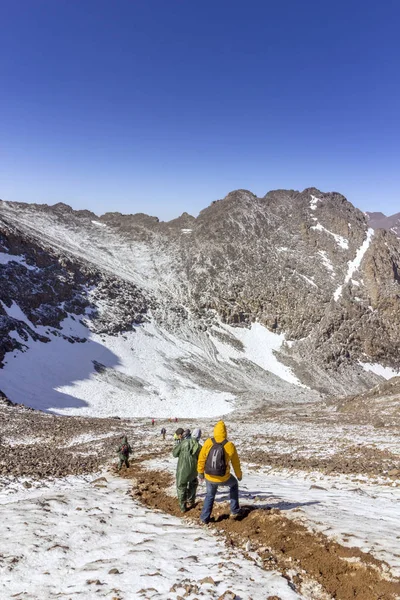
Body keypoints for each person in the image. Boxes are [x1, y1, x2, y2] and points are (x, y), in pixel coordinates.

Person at [197, 421, 242, 524]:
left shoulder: (208, 442)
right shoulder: (230, 445)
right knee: (234, 484)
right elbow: (236, 463)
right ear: (225, 432)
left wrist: (200, 472)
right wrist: (239, 475)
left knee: (210, 495)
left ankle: (204, 518)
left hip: (209, 475)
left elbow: (201, 458)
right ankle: (234, 510)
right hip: (223, 477)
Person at [172, 429, 200, 513]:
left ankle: (182, 507)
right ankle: (191, 501)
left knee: (181, 486)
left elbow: (174, 454)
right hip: (194, 469)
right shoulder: (199, 446)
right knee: (193, 483)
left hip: (182, 469)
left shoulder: (183, 443)